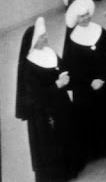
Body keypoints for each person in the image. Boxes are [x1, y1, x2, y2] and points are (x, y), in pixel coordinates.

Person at [63, 0, 106, 161]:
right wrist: (90, 82)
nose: (85, 18)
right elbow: (73, 69)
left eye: (87, 14)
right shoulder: (73, 41)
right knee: (98, 117)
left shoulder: (100, 31)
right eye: (81, 17)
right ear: (76, 20)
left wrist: (103, 77)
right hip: (89, 90)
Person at [16, 17, 84, 182]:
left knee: (68, 133)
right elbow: (33, 97)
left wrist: (66, 75)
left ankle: (73, 166)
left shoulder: (49, 52)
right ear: (33, 42)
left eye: (45, 35)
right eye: (41, 37)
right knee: (53, 143)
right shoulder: (28, 66)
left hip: (61, 104)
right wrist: (57, 84)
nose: (45, 38)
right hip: (44, 113)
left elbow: (61, 68)